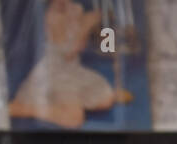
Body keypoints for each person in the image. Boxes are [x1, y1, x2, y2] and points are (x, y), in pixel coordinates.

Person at [8, 0, 133, 129]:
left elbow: (81, 46)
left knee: (106, 100)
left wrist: (95, 24)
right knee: (75, 119)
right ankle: (30, 108)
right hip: (54, 71)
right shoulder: (51, 15)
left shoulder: (76, 8)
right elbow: (69, 52)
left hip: (72, 69)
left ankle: (59, 102)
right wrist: (87, 24)